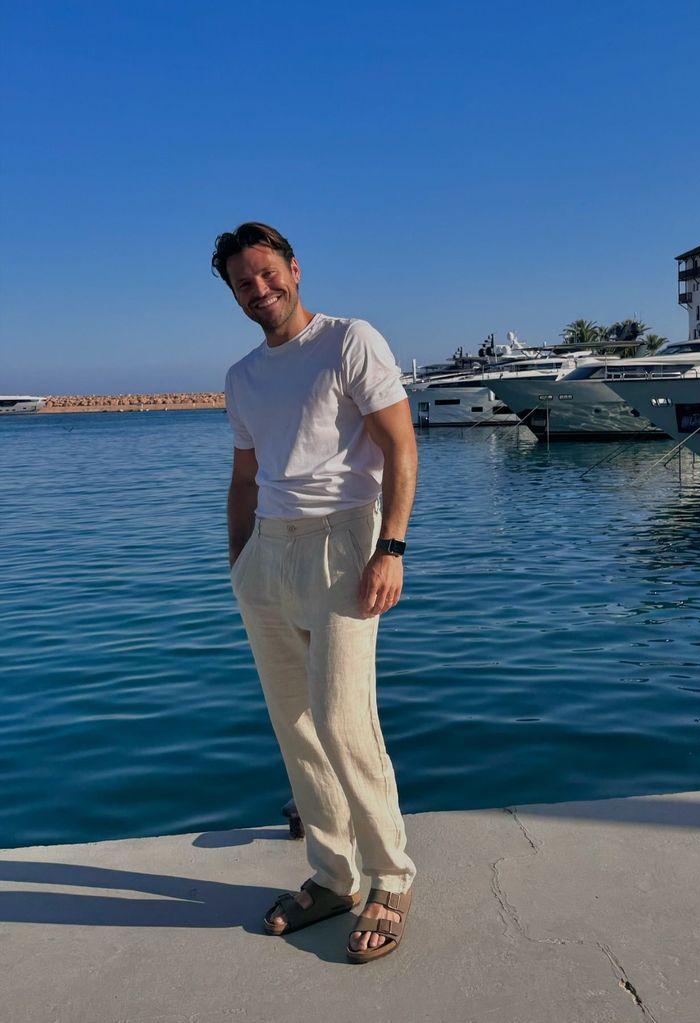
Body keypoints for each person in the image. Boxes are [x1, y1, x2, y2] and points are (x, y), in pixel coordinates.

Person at [212, 222, 417, 963]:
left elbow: (399, 445)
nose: (258, 289)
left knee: (341, 718)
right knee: (294, 724)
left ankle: (389, 877)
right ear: (232, 293)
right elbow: (242, 477)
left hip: (345, 540)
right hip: (267, 551)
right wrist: (240, 563)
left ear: (294, 269)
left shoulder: (348, 340)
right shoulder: (241, 377)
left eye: (267, 273)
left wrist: (390, 547)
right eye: (242, 282)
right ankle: (332, 875)